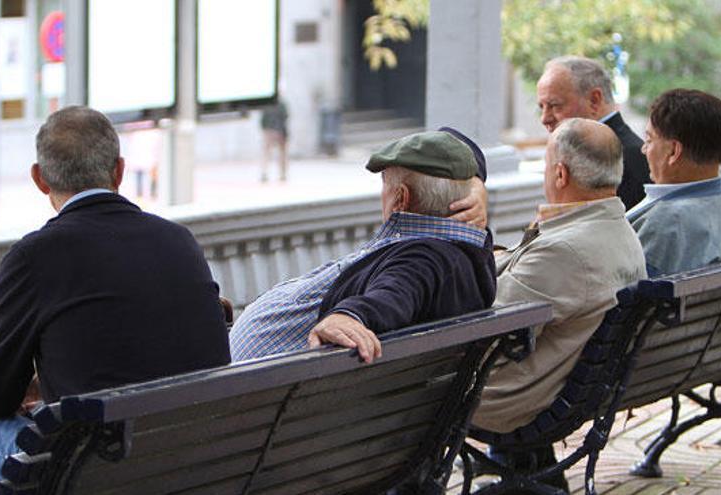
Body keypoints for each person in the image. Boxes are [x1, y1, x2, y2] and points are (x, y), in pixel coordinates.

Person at [0, 106, 231, 494]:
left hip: (97, 476)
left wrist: (27, 384)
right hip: (196, 461)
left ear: (39, 179)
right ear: (119, 170)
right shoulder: (180, 241)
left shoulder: (35, 256)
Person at [471, 118, 647, 491]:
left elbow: (479, 317)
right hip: (569, 390)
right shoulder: (617, 231)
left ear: (561, 174)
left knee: (402, 393)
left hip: (513, 400)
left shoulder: (565, 250)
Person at [230, 130, 497, 362]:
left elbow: (396, 293)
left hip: (245, 395)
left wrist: (352, 315)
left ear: (401, 198)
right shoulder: (470, 252)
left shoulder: (424, 256)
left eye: (385, 186)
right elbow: (450, 142)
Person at [627, 89, 721, 276]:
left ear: (674, 151)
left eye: (649, 140)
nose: (643, 149)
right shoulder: (717, 206)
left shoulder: (665, 223)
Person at [537, 55, 652, 209]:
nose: (544, 119)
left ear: (594, 100)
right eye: (541, 107)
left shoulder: (626, 156)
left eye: (555, 105)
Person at [260, 100, 289, 182]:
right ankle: (282, 174)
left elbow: (263, 120)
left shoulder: (267, 104)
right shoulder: (282, 104)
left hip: (270, 131)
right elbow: (285, 116)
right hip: (279, 131)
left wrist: (265, 129)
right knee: (281, 154)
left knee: (267, 153)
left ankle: (265, 173)